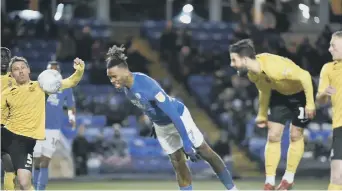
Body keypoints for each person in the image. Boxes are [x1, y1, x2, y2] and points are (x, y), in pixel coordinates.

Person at [105, 45, 238, 191]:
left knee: (205, 152)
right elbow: (148, 107)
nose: (112, 80)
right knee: (177, 162)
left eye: (114, 76)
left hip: (178, 117)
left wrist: (186, 142)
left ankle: (232, 189)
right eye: (110, 77)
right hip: (161, 125)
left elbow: (173, 113)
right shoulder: (126, 90)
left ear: (124, 71)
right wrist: (155, 123)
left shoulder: (146, 84)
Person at [229, 39, 315, 190]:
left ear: (244, 59)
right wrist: (262, 114)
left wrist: (310, 104)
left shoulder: (275, 67)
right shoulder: (252, 74)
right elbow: (264, 90)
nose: (232, 64)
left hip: (300, 92)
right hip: (279, 93)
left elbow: (305, 76)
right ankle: (269, 182)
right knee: (273, 136)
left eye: (233, 60)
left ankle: (288, 179)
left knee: (295, 135)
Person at [1, 56, 84, 190]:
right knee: (10, 171)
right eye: (16, 69)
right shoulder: (6, 94)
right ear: (11, 74)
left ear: (29, 70)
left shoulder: (41, 87)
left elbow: (70, 82)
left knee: (24, 182)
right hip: (8, 136)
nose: (21, 71)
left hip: (26, 140)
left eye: (23, 68)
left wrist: (79, 70)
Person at [32, 61, 76, 190]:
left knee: (45, 161)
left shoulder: (65, 87)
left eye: (56, 71)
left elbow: (70, 106)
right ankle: (34, 187)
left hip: (54, 129)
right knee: (36, 162)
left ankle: (41, 189)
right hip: (38, 128)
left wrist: (72, 119)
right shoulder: (38, 86)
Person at [316, 31, 342, 191]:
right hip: (340, 127)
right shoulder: (328, 69)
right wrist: (324, 93)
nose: (329, 49)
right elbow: (320, 100)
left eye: (333, 45)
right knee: (336, 176)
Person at [1, 47, 16, 190]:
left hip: (7, 128)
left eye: (6, 57)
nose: (3, 60)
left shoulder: (15, 80)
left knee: (10, 167)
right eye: (0, 57)